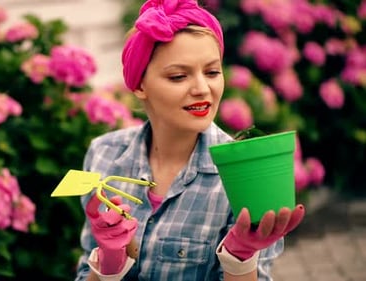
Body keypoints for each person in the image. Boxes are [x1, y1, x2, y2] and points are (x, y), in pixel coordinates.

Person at [74, 0, 305, 280]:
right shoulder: (104, 154)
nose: (202, 88)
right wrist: (109, 264)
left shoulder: (245, 175)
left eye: (212, 72)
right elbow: (86, 271)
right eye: (179, 76)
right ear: (139, 86)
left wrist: (239, 259)